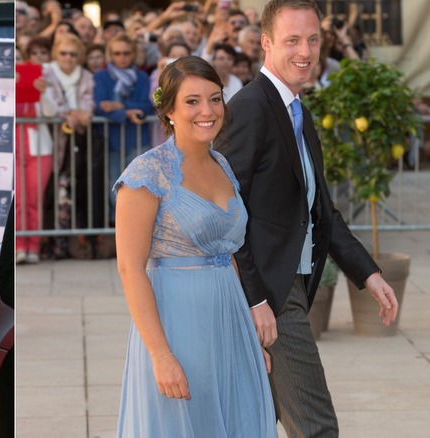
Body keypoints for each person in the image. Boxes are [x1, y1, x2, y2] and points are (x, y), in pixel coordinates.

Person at [214, 1, 399, 436]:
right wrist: (256, 300)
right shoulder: (253, 108)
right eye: (293, 40)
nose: (306, 50)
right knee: (316, 427)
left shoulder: (297, 108)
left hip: (290, 282)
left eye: (313, 39)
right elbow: (226, 210)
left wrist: (367, 273)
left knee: (260, 421)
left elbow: (321, 211)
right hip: (273, 294)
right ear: (266, 43)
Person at [115, 56, 276, 437]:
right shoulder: (146, 172)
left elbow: (229, 252)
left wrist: (249, 330)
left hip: (231, 318)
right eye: (192, 101)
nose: (208, 110)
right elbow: (130, 269)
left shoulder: (222, 164)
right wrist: (161, 355)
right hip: (178, 323)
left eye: (215, 99)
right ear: (168, 110)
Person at [94, 32, 154, 225]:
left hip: (138, 140)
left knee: (140, 187)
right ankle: (122, 227)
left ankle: (137, 227)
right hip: (111, 140)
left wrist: (119, 107)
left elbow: (146, 105)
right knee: (115, 187)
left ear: (133, 54)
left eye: (126, 53)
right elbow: (100, 106)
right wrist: (128, 112)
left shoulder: (142, 76)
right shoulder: (101, 76)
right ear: (110, 54)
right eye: (117, 53)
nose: (122, 57)